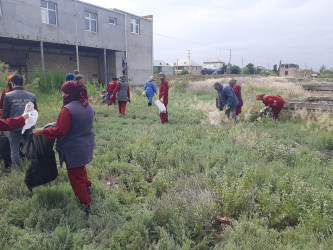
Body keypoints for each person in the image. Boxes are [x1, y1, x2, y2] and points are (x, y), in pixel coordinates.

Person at [33, 81, 94, 208]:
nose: (62, 95)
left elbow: (61, 131)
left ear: (71, 93)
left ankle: (86, 204)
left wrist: (42, 131)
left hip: (73, 149)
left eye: (65, 92)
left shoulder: (68, 109)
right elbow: (76, 122)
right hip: (86, 146)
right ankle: (87, 186)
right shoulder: (88, 105)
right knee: (80, 169)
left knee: (76, 179)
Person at [2, 74, 38, 169]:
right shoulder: (32, 96)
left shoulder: (8, 96)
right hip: (29, 126)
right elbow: (36, 112)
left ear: (12, 84)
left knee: (14, 149)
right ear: (23, 83)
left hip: (15, 126)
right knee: (30, 147)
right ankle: (31, 168)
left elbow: (4, 115)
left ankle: (17, 170)